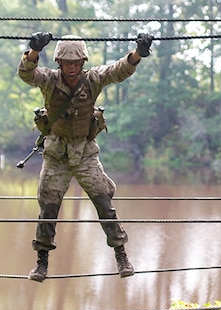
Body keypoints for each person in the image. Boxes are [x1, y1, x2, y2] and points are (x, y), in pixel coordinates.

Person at [17, 30, 153, 281]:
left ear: (83, 63)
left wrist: (138, 54)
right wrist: (34, 51)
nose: (72, 67)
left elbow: (118, 70)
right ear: (59, 63)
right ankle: (42, 261)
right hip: (57, 152)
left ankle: (121, 255)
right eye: (67, 63)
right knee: (48, 206)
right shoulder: (49, 79)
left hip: (85, 152)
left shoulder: (92, 79)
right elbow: (27, 74)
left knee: (104, 202)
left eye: (76, 62)